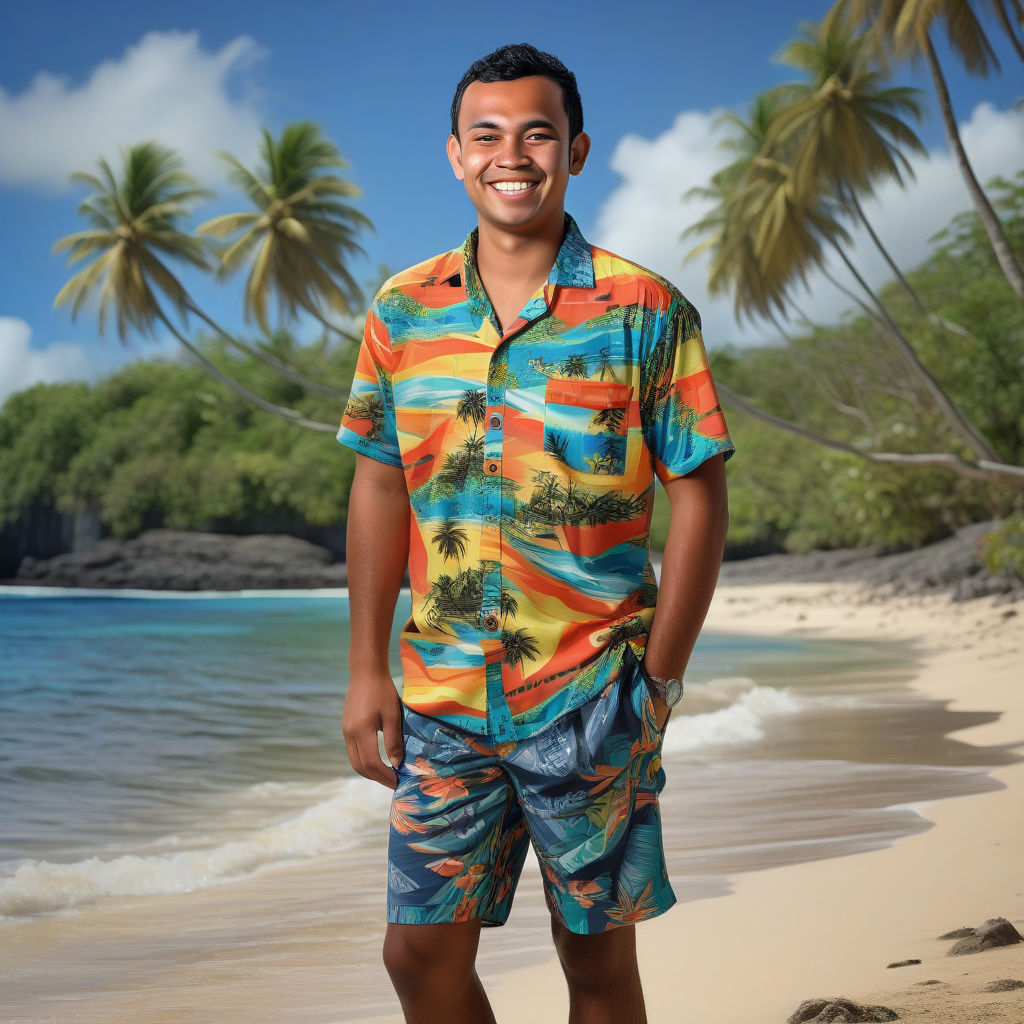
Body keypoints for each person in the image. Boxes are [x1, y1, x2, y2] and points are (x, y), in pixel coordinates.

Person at [337, 41, 735, 1024]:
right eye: (487, 135)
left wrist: (663, 678)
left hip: (594, 691)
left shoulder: (644, 310)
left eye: (536, 133)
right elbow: (380, 490)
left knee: (594, 960)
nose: (511, 154)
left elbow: (700, 495)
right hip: (441, 694)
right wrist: (362, 670)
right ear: (455, 154)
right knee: (415, 951)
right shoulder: (402, 309)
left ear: (576, 149)